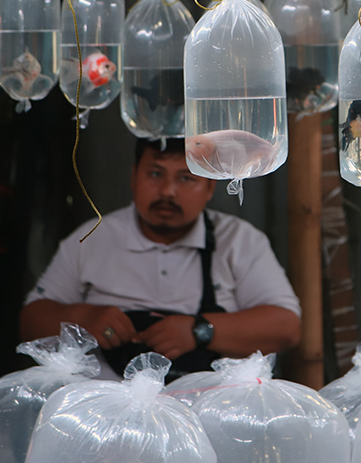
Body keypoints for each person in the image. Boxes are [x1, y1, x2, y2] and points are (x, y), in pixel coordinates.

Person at [20, 138, 301, 380]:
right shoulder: (92, 238)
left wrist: (201, 330)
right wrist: (85, 319)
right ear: (133, 177)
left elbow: (286, 327)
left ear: (209, 188)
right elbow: (31, 322)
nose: (168, 191)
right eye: (155, 174)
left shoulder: (240, 241)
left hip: (206, 413)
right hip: (106, 413)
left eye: (186, 178)